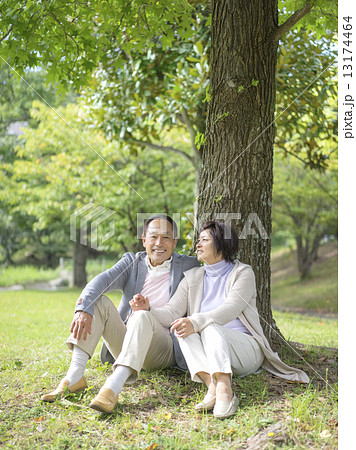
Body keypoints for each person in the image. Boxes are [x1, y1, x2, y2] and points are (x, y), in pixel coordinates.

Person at [131, 221, 309, 419]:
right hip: (210, 353)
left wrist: (196, 321)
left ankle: (226, 390)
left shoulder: (242, 273)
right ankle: (212, 385)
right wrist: (148, 309)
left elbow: (229, 310)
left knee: (209, 326)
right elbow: (172, 312)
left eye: (204, 240)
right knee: (181, 327)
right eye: (198, 240)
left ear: (221, 244)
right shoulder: (192, 277)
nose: (197, 245)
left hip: (244, 350)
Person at [41, 215, 200, 412]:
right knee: (97, 302)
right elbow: (101, 281)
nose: (159, 243)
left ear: (175, 242)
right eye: (153, 237)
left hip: (163, 347)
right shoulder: (131, 262)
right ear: (144, 240)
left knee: (142, 315)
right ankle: (74, 377)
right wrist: (83, 309)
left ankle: (113, 388)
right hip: (128, 340)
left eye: (166, 238)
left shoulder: (189, 265)